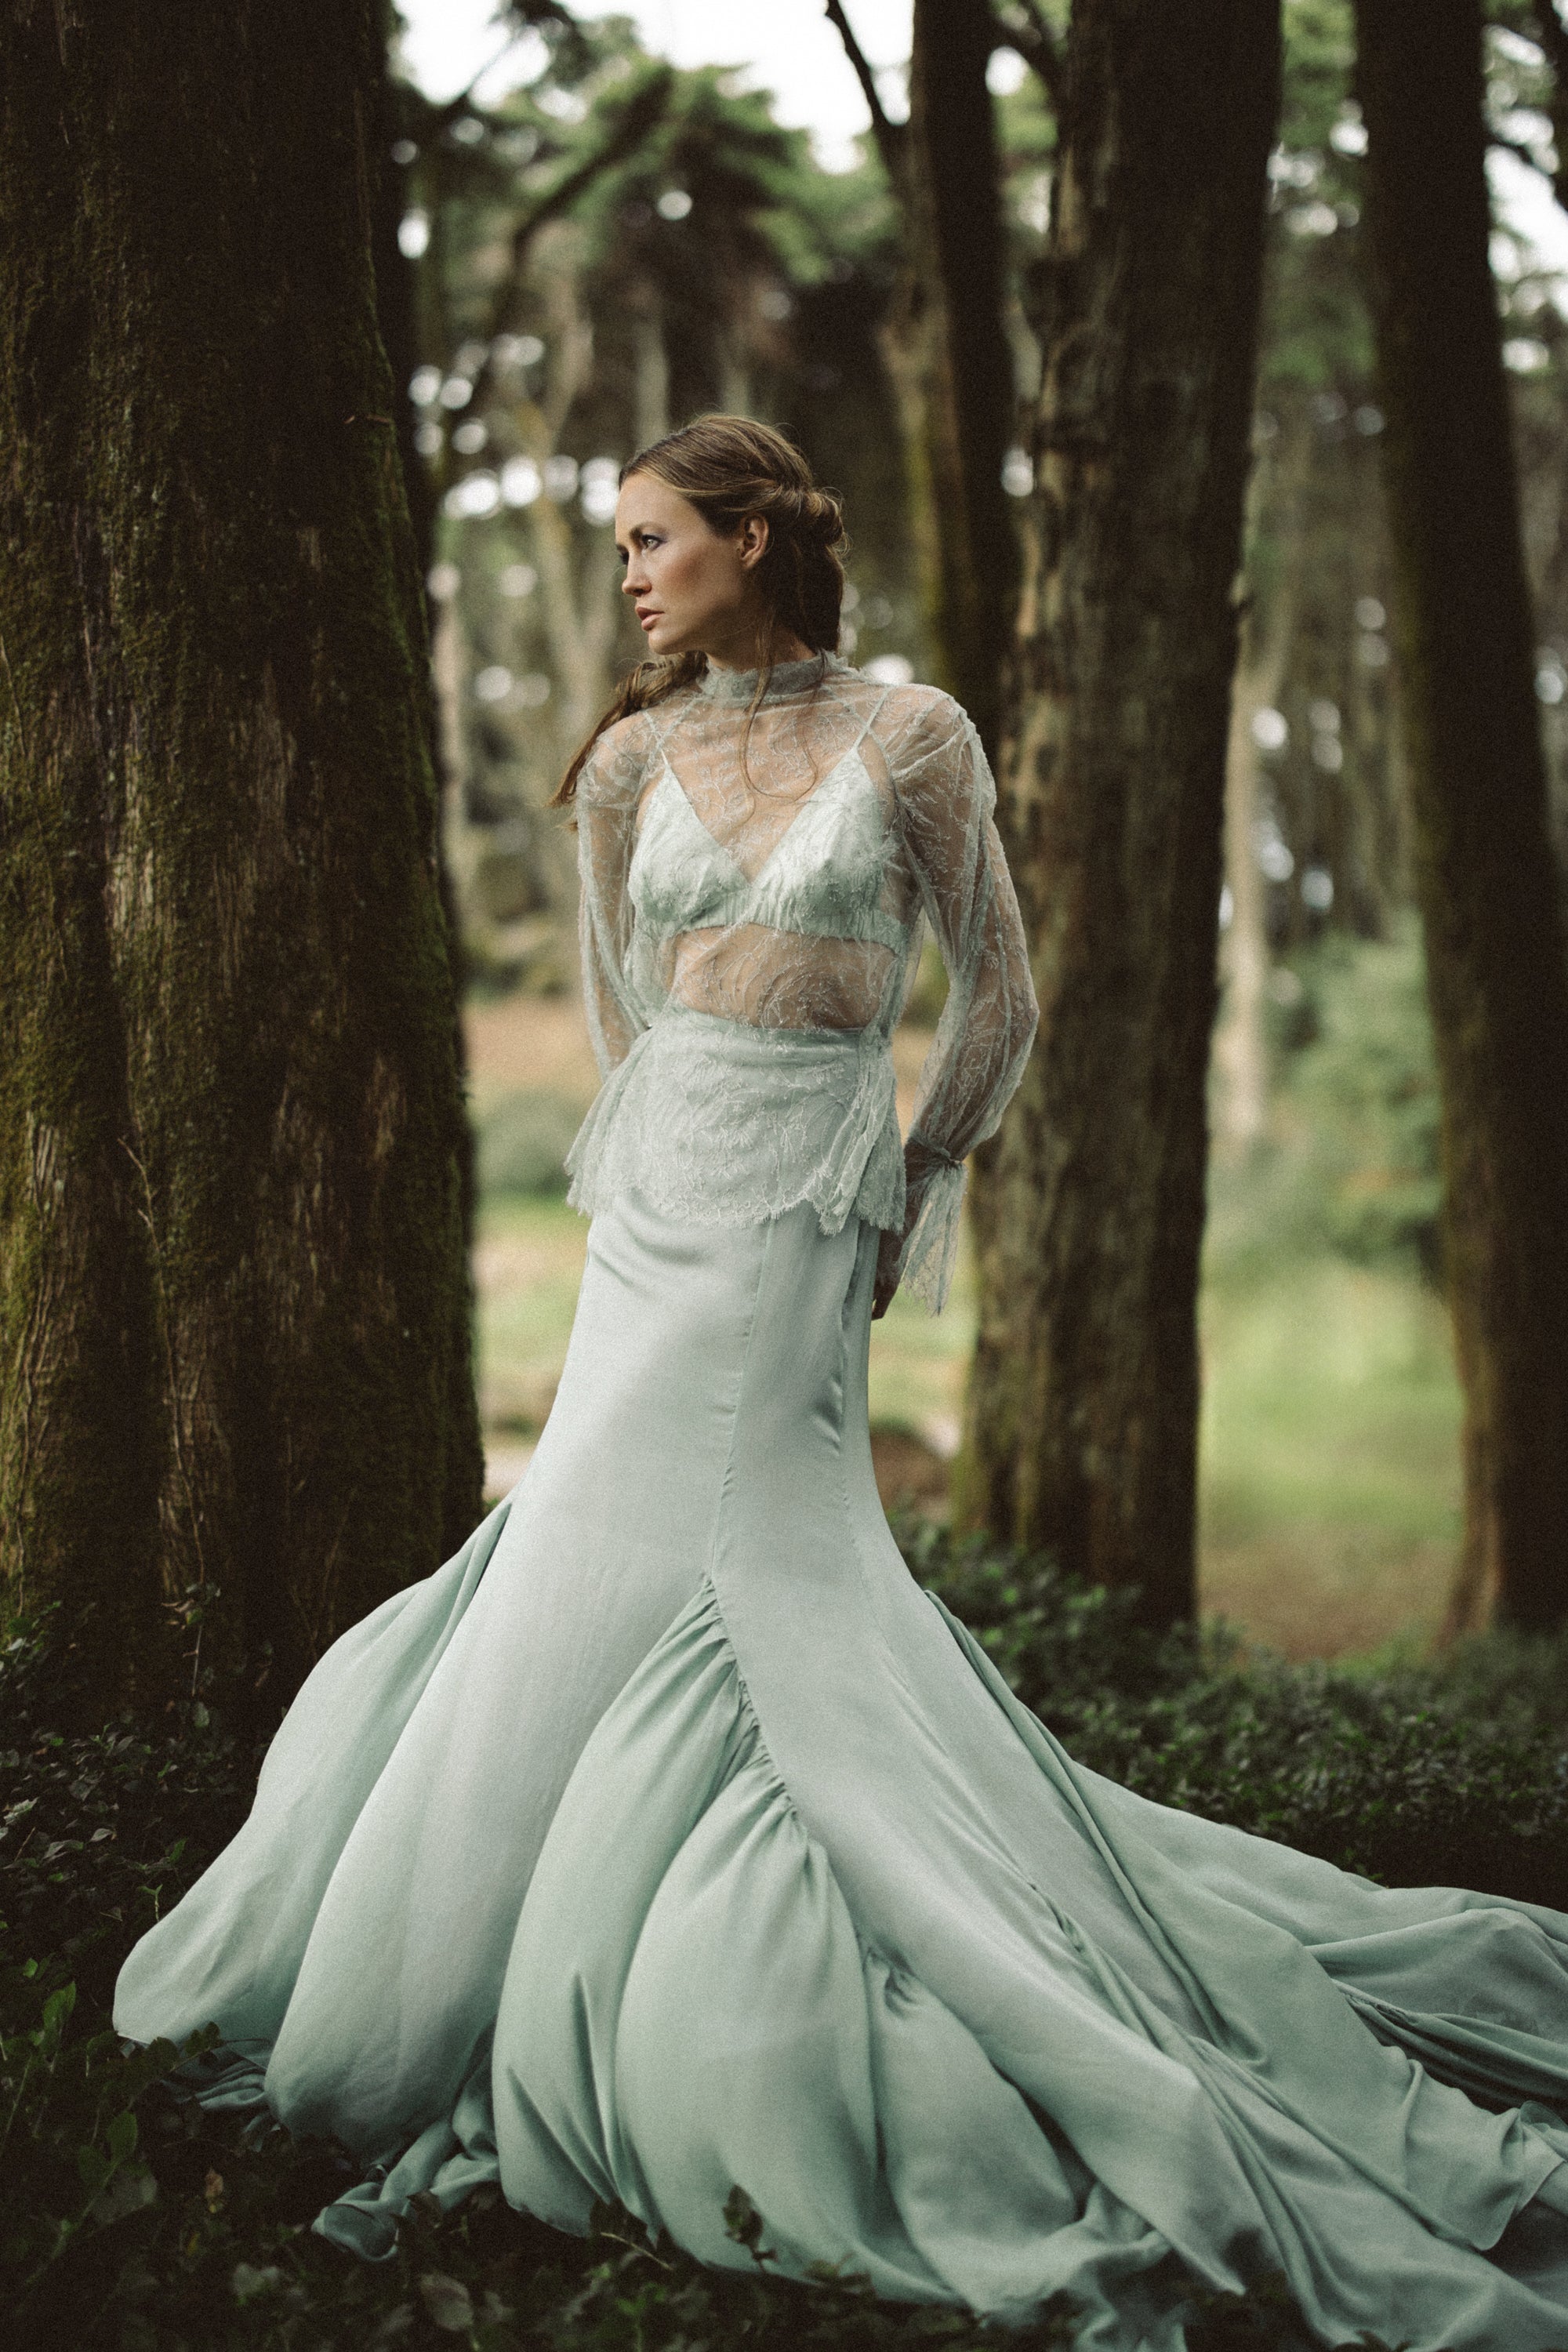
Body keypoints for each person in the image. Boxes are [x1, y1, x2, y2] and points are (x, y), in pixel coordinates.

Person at [116, 416, 1568, 2351]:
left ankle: (760, 1939)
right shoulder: (627, 761)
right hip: (659, 1209)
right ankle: (471, 1955)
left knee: (757, 1573)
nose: (633, 575)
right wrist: (661, 1148)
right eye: (619, 546)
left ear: (754, 536)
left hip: (811, 1201)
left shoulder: (911, 738)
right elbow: (629, 1014)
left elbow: (1001, 987)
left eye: (656, 538)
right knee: (577, 1553)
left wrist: (905, 1186)